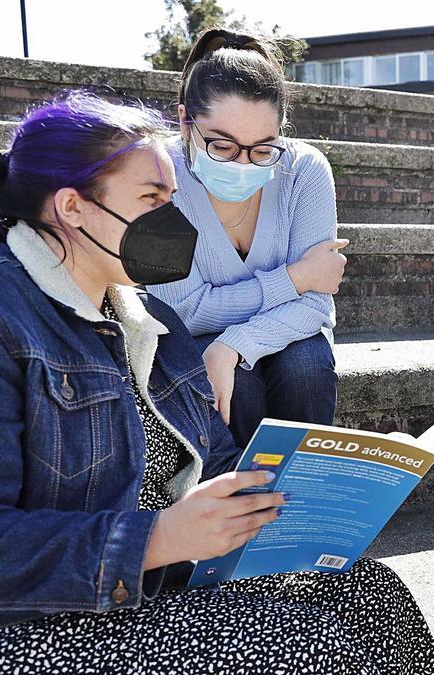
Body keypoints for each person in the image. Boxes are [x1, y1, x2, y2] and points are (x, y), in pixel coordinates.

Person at [0, 92, 434, 673]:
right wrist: (158, 538)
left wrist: (293, 502)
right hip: (25, 630)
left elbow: (218, 459)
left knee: (373, 594)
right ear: (72, 208)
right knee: (304, 642)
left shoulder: (156, 322)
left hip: (160, 592)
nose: (173, 221)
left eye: (172, 199)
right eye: (152, 199)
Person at [146, 28, 346, 448]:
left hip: (286, 331)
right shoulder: (159, 173)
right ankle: (234, 505)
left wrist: (235, 342)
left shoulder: (303, 169)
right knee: (239, 386)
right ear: (185, 121)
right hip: (189, 338)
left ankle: (303, 499)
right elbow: (181, 311)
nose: (243, 164)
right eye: (222, 147)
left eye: (262, 149)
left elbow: (314, 305)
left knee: (307, 367)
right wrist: (294, 278)